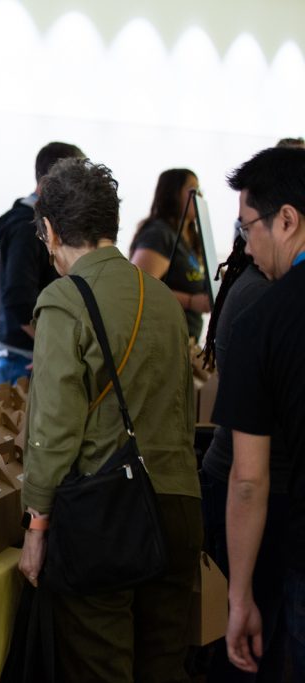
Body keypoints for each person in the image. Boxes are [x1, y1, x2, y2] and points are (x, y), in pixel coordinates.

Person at [18, 158, 201, 681]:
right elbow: (183, 409)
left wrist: (37, 524)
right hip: (180, 509)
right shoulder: (164, 299)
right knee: (163, 666)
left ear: (50, 230)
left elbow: (54, 427)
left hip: (108, 516)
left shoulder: (64, 298)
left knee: (101, 667)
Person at [213, 146, 305, 678]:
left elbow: (248, 480)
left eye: (248, 229)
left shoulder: (262, 319)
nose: (246, 245)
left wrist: (240, 595)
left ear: (287, 220)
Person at [200, 235, 288, 682]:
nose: (249, 243)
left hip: (252, 486)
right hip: (246, 488)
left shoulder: (265, 292)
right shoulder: (264, 298)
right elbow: (248, 476)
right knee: (249, 641)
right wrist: (239, 596)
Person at [0, 141, 84, 385]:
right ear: (52, 179)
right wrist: (51, 345)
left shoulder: (44, 223)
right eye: (75, 179)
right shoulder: (26, 227)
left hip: (34, 354)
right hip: (25, 359)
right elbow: (19, 300)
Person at [129, 168, 211, 341]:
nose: (199, 195)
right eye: (192, 189)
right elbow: (139, 289)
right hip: (162, 341)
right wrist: (190, 301)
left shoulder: (189, 236)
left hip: (185, 339)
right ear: (173, 193)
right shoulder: (159, 235)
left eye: (200, 190)